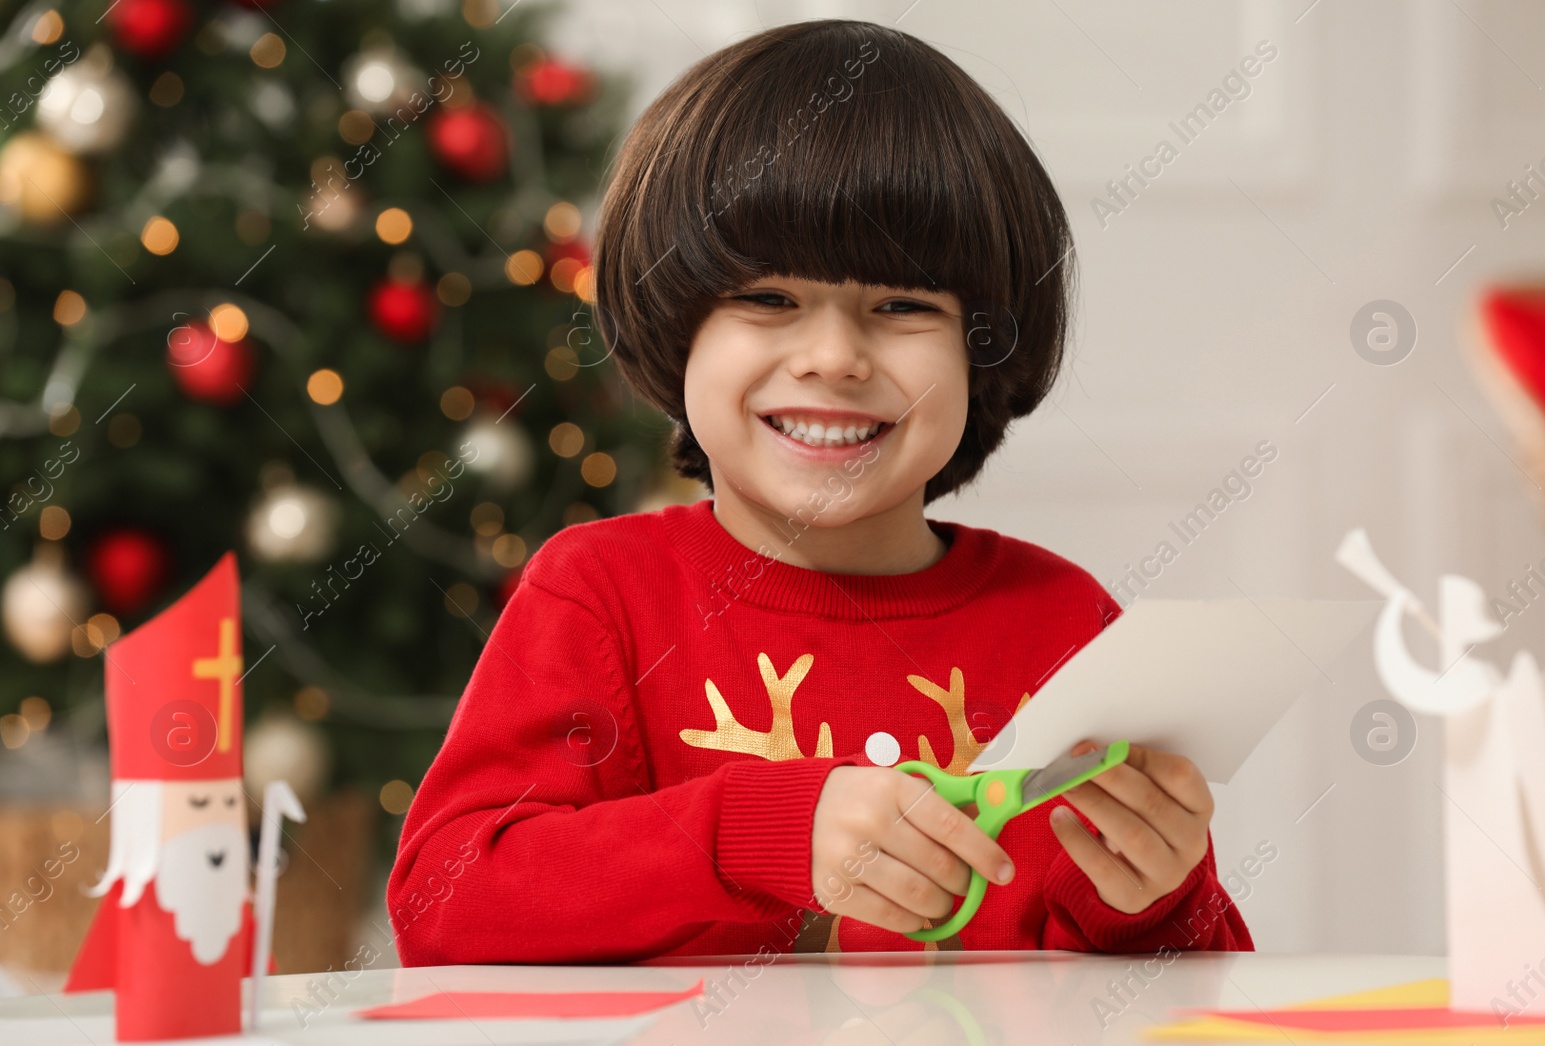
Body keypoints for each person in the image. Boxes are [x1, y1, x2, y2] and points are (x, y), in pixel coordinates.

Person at [388, 18, 1251, 963]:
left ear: (982, 347)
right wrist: (751, 832)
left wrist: (1154, 898)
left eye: (903, 306)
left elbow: (1192, 994)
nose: (835, 357)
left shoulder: (1066, 626)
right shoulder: (599, 598)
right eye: (768, 299)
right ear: (678, 330)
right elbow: (445, 899)